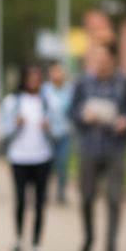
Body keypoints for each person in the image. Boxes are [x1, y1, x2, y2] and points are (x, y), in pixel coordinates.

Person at [70, 41, 126, 251]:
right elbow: (71, 111)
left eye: (102, 57)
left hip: (115, 148)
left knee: (113, 198)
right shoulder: (83, 83)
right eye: (95, 57)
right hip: (89, 147)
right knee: (87, 197)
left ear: (113, 59)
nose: (98, 62)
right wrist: (83, 117)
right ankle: (89, 238)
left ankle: (111, 248)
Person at [1, 63, 53, 251]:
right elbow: (4, 131)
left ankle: (37, 244)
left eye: (37, 77)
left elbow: (60, 130)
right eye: (30, 77)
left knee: (40, 202)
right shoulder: (13, 102)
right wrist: (15, 125)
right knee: (21, 200)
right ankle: (19, 239)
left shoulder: (46, 102)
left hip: (42, 156)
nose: (34, 81)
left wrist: (49, 127)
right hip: (19, 157)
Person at [44, 60, 74, 204]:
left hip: (64, 132)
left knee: (62, 163)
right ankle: (44, 191)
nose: (57, 74)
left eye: (60, 71)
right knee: (48, 164)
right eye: (55, 71)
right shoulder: (45, 90)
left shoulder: (69, 91)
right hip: (48, 133)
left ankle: (61, 192)